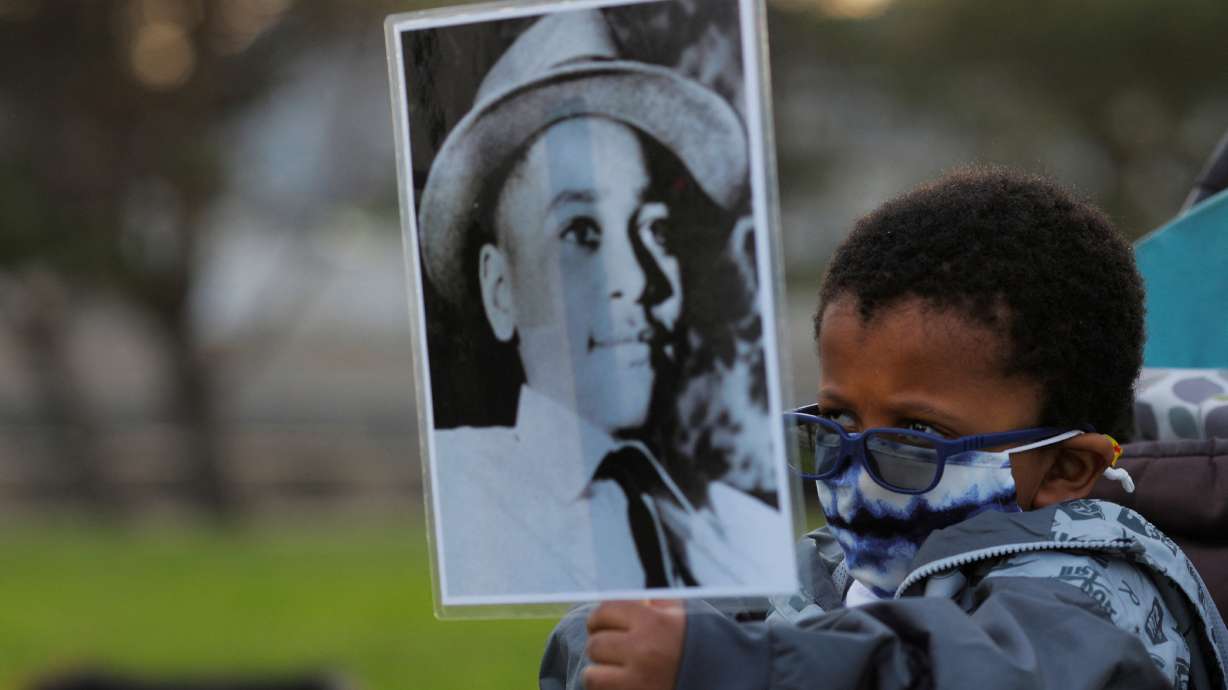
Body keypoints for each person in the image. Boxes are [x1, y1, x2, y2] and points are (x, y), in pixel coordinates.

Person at [540, 167, 1228, 688]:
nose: (858, 478)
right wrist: (610, 643)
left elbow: (976, 673)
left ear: (1064, 470)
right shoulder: (839, 564)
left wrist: (735, 667)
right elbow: (718, 624)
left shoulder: (1101, 595)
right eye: (837, 421)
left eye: (915, 436)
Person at [419, 9, 790, 599]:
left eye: (657, 235)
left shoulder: (747, 535)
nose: (641, 283)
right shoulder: (456, 496)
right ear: (499, 288)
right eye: (582, 234)